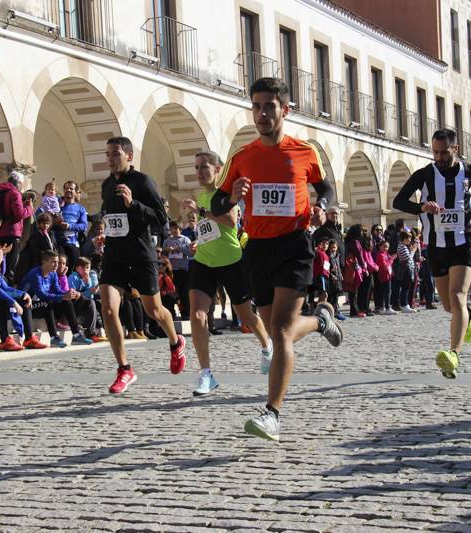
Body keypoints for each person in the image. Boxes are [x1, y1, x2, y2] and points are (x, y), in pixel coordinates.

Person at [210, 77, 342, 441]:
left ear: (285, 110)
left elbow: (326, 188)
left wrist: (321, 207)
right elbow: (216, 203)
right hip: (257, 248)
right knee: (274, 329)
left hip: (294, 245)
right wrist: (232, 196)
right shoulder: (241, 157)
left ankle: (272, 414)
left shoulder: (304, 152)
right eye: (256, 106)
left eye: (269, 106)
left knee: (281, 331)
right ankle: (319, 320)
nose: (262, 113)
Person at [393, 128, 471, 379]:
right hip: (436, 245)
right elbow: (399, 201)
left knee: (458, 296)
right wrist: (421, 206)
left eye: (444, 152)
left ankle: (454, 355)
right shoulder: (425, 174)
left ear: (455, 149)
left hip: (464, 242)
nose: (439, 156)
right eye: (435, 151)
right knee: (450, 306)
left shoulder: (469, 172)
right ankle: (468, 314)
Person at [181, 150, 274, 396]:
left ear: (218, 169)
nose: (199, 172)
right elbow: (209, 229)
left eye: (204, 166)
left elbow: (231, 222)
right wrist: (198, 242)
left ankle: (267, 346)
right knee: (197, 315)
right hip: (204, 261)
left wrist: (201, 212)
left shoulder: (224, 195)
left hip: (231, 261)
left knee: (245, 314)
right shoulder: (200, 196)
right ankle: (206, 374)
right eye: (196, 167)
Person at [98, 136, 186, 394]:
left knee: (155, 311)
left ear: (129, 156)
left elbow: (161, 218)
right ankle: (124, 369)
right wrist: (106, 234)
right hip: (114, 255)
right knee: (109, 310)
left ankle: (175, 341)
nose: (111, 159)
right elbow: (112, 218)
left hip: (141, 255)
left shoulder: (142, 182)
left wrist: (133, 204)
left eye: (115, 154)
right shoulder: (105, 185)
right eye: (107, 154)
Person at [20, 250, 94, 347]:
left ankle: (76, 335)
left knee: (68, 300)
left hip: (41, 305)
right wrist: (63, 296)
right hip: (27, 306)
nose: (56, 265)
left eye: (58, 262)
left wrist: (69, 294)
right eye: (53, 262)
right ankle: (54, 337)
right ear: (44, 262)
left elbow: (57, 291)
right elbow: (41, 295)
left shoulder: (53, 274)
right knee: (48, 302)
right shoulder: (35, 274)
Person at [0, 250, 47, 351]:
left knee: (24, 299)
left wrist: (22, 294)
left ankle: (29, 338)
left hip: (1, 306)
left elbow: (6, 288)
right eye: (2, 258)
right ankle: (4, 341)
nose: (3, 260)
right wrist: (13, 301)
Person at [0, 170, 34, 283]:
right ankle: (9, 289)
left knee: (0, 264)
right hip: (11, 233)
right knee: (11, 267)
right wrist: (29, 208)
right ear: (19, 183)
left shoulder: (1, 192)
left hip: (0, 232)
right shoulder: (14, 193)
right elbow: (19, 214)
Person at [53, 181, 87, 275]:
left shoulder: (81, 209)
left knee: (73, 269)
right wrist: (54, 223)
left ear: (76, 192)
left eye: (71, 188)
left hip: (73, 243)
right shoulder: (57, 207)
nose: (68, 190)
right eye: (67, 188)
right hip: (58, 242)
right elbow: (48, 222)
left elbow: (84, 226)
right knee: (59, 268)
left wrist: (70, 226)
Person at [343, 224, 367, 317]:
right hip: (354, 266)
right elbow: (358, 253)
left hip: (353, 265)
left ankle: (355, 309)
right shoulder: (355, 242)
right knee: (354, 289)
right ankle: (354, 310)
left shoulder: (349, 241)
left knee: (353, 290)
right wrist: (363, 263)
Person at [374, 239, 395, 314]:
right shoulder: (380, 255)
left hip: (388, 275)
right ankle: (386, 307)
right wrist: (391, 260)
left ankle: (384, 306)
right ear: (380, 247)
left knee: (386, 292)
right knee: (386, 292)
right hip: (384, 276)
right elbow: (384, 265)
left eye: (387, 247)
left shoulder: (386, 254)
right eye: (384, 246)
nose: (385, 248)